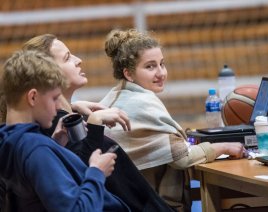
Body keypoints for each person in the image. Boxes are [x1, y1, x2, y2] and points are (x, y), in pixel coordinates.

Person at [19, 34, 175, 212]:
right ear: (47, 73)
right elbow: (78, 172)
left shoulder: (65, 118)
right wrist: (94, 125)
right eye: (68, 58)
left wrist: (73, 108)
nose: (79, 60)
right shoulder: (54, 124)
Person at [100, 28, 245, 211]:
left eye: (162, 64)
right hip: (145, 205)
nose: (160, 73)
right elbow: (181, 158)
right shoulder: (141, 103)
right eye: (150, 66)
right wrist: (223, 146)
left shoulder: (113, 97)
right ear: (128, 73)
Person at [0, 50, 129, 211]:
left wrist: (54, 145)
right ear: (33, 97)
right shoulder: (36, 148)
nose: (58, 107)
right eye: (54, 98)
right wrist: (97, 173)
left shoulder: (10, 141)